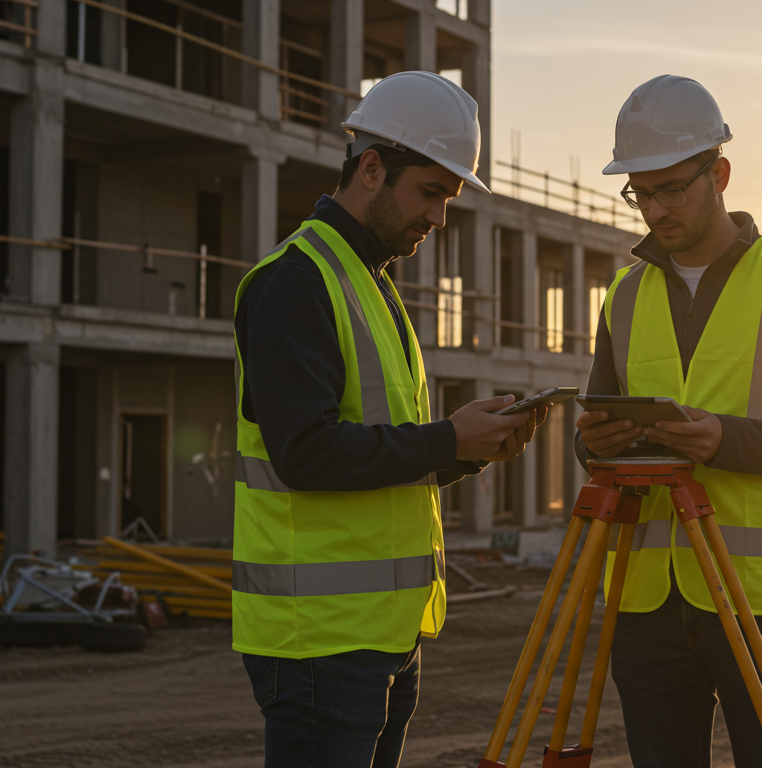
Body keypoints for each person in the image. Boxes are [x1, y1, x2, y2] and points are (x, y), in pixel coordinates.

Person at [232, 71, 544, 768]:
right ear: (371, 168)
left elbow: (384, 452)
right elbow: (306, 454)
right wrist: (449, 438)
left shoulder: (370, 283)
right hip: (318, 642)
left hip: (383, 637)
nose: (438, 217)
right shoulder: (298, 281)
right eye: (430, 193)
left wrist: (469, 448)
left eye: (448, 198)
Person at [576, 75, 762, 768]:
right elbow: (593, 443)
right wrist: (595, 445)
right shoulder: (622, 296)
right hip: (646, 602)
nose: (654, 210)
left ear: (721, 174)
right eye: (640, 193)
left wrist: (724, 440)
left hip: (757, 601)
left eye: (672, 188)